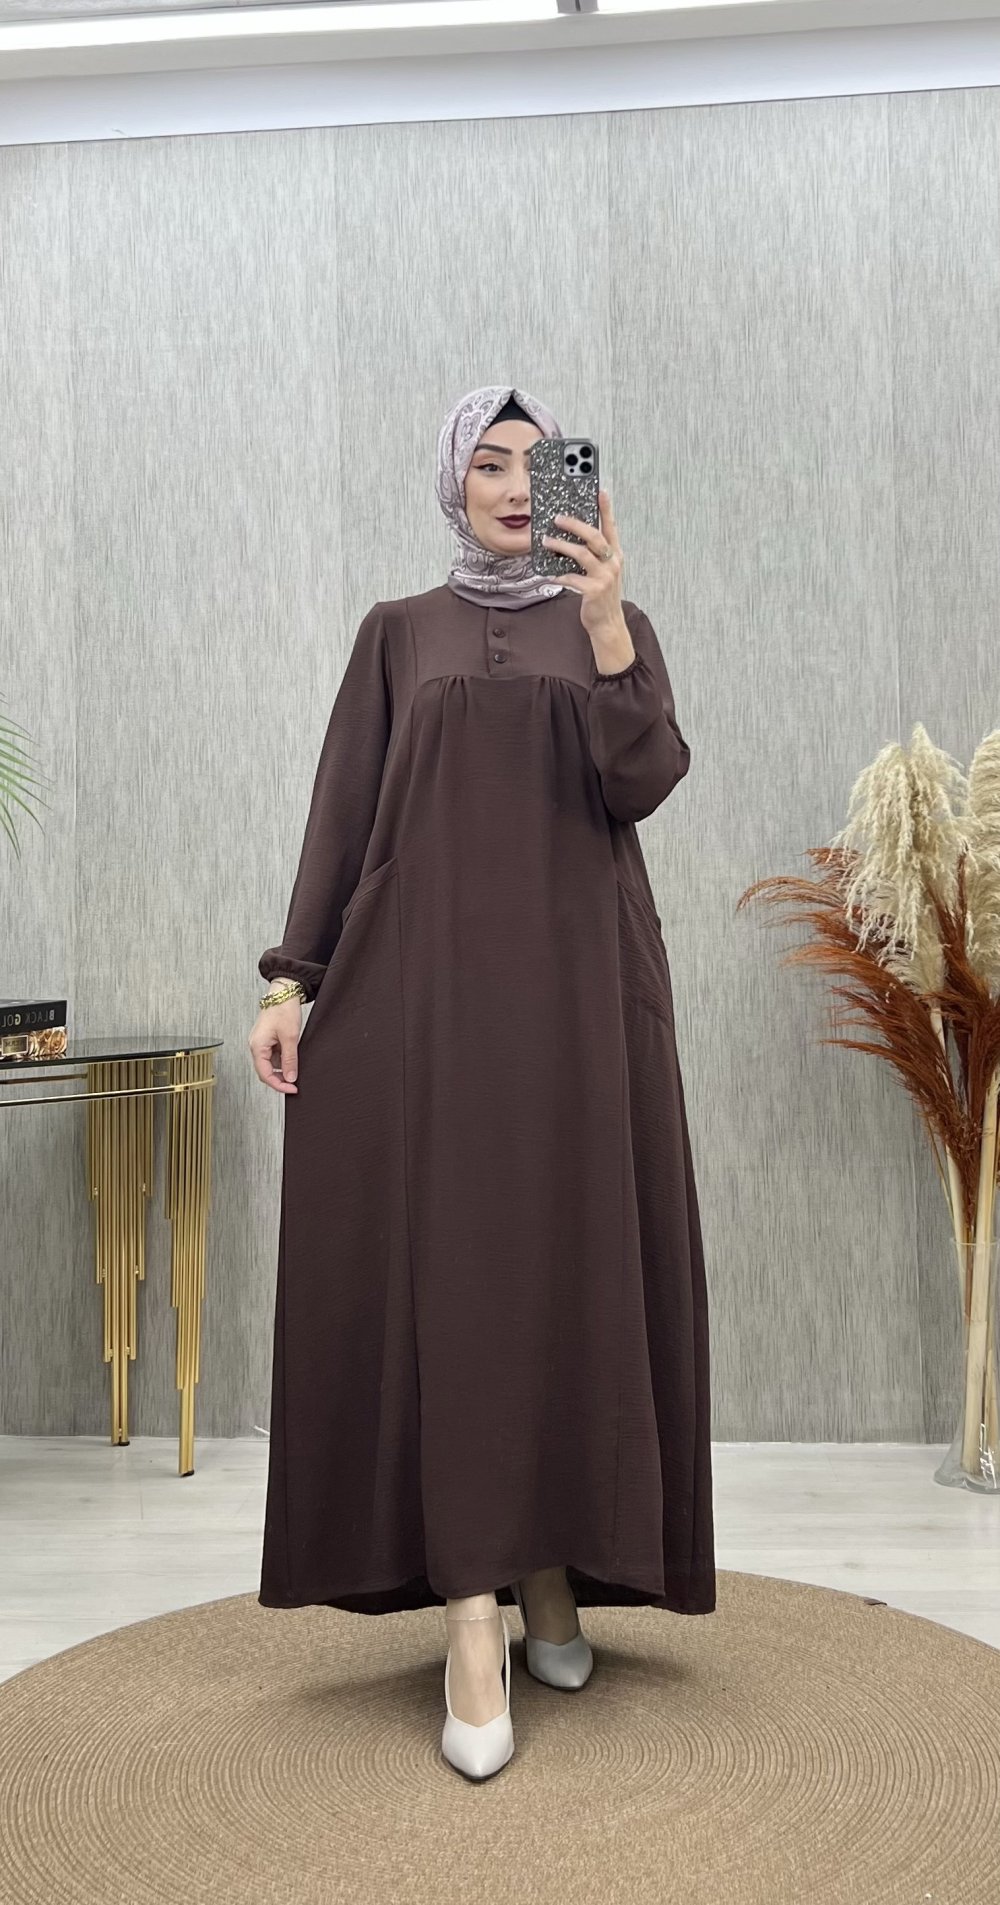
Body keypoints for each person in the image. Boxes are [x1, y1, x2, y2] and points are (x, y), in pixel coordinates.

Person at [248, 384, 716, 1782]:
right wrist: (292, 980)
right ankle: (473, 1612)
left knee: (565, 1278)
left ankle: (552, 1567)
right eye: (491, 462)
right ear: (453, 481)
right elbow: (344, 811)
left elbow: (646, 777)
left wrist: (611, 623)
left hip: (582, 1007)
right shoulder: (400, 633)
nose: (517, 485)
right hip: (429, 1008)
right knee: (457, 1291)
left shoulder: (607, 624)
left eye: (539, 463)